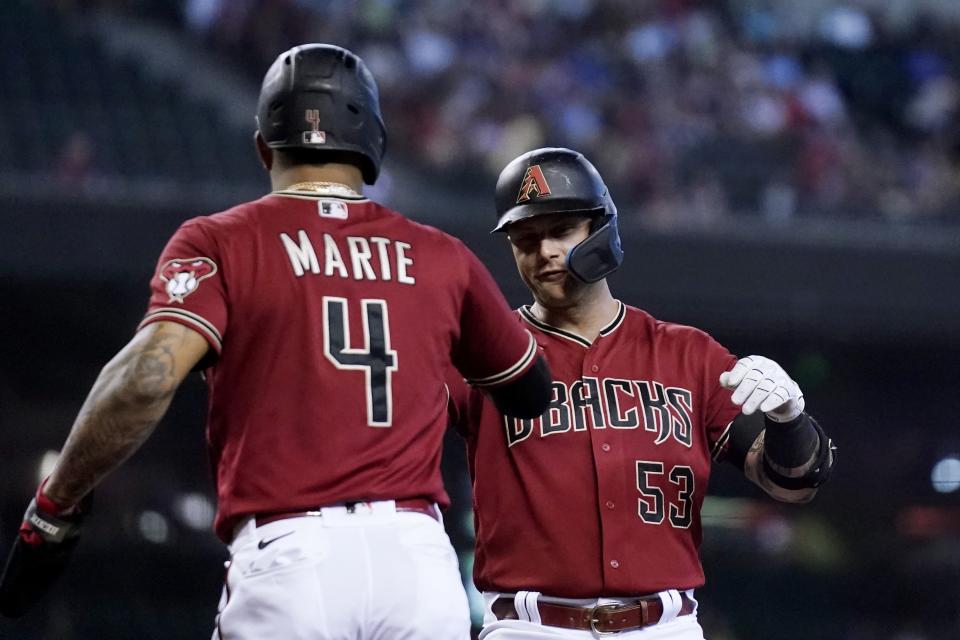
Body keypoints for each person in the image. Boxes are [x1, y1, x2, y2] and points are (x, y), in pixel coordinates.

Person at [0, 44, 553, 640]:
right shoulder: (443, 256)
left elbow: (149, 376)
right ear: (372, 144)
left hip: (292, 554)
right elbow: (529, 391)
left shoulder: (221, 240)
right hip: (419, 563)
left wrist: (56, 504)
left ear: (263, 145)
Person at [448, 147, 836, 639]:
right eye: (525, 239)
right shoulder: (482, 348)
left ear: (602, 230)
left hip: (664, 626)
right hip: (533, 628)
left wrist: (789, 417)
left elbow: (793, 482)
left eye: (561, 231)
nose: (543, 250)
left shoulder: (688, 354)